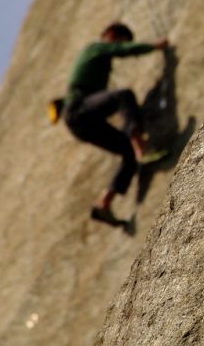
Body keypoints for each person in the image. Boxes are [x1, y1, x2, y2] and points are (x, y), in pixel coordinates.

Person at [63, 22, 167, 224]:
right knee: (123, 95)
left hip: (80, 122)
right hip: (78, 108)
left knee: (126, 152)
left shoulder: (98, 57)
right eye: (120, 40)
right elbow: (121, 50)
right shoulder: (95, 48)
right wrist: (155, 46)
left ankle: (103, 204)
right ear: (110, 35)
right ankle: (141, 149)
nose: (120, 45)